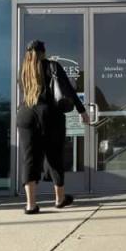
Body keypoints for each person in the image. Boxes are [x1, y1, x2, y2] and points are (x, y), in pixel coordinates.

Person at [17, 40, 89, 214]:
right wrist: (82, 111)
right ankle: (59, 199)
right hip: (50, 115)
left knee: (30, 158)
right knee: (54, 155)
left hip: (25, 114)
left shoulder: (24, 70)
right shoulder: (52, 66)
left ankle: (30, 205)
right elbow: (68, 91)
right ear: (43, 52)